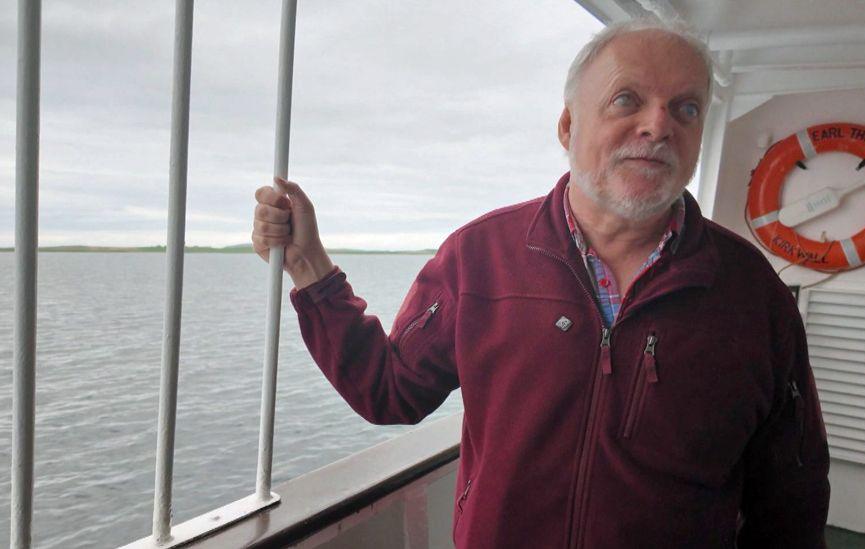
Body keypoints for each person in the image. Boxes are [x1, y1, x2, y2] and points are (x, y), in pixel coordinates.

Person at [252, 18, 830, 549]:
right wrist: (309, 267)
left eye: (685, 109)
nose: (658, 125)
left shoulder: (751, 292)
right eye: (627, 100)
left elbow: (791, 489)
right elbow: (389, 390)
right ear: (567, 125)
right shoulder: (481, 256)